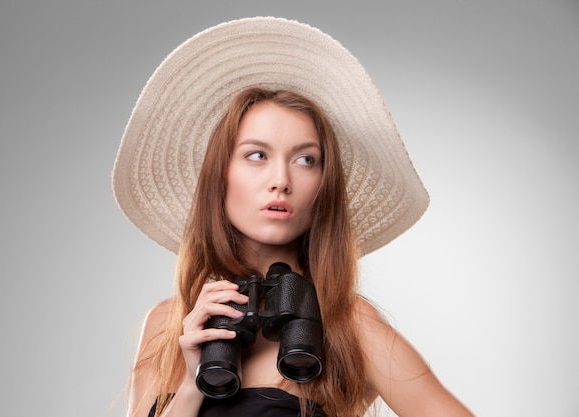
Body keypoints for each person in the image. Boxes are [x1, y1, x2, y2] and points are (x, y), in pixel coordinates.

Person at [112, 17, 475, 417]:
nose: (281, 180)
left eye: (306, 159)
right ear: (221, 176)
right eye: (257, 155)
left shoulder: (347, 324)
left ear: (324, 185)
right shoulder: (168, 324)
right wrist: (192, 382)